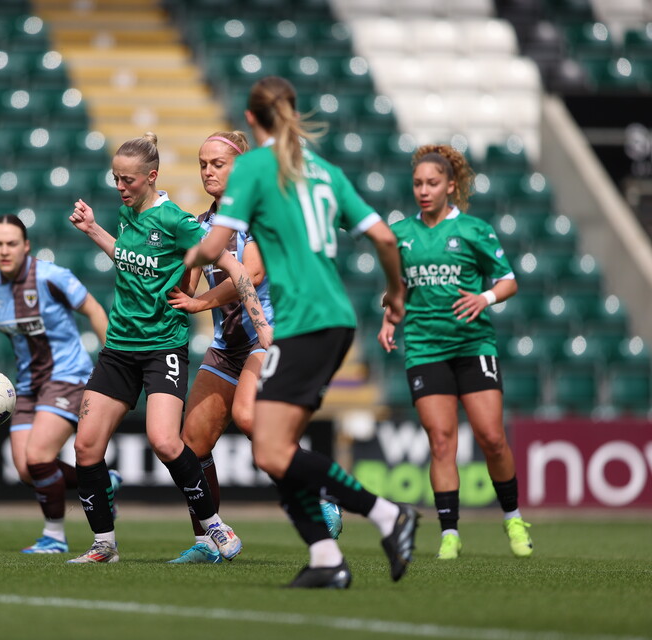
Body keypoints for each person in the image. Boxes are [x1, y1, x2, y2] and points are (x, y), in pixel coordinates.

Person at [185, 76, 419, 589]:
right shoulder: (322, 172)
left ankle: (384, 516)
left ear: (251, 121)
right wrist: (396, 291)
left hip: (295, 325)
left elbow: (222, 249)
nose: (209, 170)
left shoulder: (254, 172)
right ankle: (327, 558)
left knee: (267, 440)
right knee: (269, 447)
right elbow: (384, 236)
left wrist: (191, 257)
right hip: (331, 321)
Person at [66, 132, 263, 564]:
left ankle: (214, 527)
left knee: (166, 441)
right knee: (85, 448)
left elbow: (234, 267)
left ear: (151, 177)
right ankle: (104, 545)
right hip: (119, 347)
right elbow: (128, 258)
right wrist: (93, 228)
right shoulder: (125, 215)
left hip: (162, 348)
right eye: (116, 179)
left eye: (128, 180)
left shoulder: (177, 221)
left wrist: (260, 322)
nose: (120, 187)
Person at [166, 130, 341, 564]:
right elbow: (184, 285)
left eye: (217, 163)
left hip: (270, 334)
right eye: (203, 163)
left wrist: (199, 301)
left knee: (247, 415)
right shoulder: (200, 225)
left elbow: (254, 274)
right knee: (191, 444)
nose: (208, 170)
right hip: (227, 347)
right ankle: (210, 538)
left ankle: (319, 492)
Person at [376, 144, 533, 560]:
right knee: (441, 441)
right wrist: (390, 318)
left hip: (472, 344)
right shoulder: (401, 235)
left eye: (432, 183)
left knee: (492, 438)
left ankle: (513, 517)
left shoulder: (474, 230)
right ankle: (449, 533)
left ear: (451, 185)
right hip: (425, 348)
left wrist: (484, 297)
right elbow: (398, 290)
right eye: (417, 184)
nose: (423, 191)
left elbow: (509, 281)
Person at [0, 214, 116, 555]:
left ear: (26, 246)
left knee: (38, 455)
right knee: (25, 468)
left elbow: (94, 310)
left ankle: (54, 536)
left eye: (11, 243)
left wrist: (112, 367)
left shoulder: (51, 277)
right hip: (27, 384)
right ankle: (104, 483)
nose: (4, 250)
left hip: (68, 377)